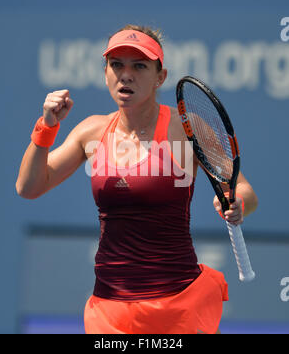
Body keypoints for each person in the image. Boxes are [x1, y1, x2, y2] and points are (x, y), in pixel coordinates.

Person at [16, 24, 258, 334]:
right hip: (109, 311)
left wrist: (238, 204)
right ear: (105, 73)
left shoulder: (186, 128)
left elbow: (243, 191)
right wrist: (46, 127)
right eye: (116, 65)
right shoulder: (91, 131)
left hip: (179, 306)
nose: (125, 74)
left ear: (161, 77)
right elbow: (29, 186)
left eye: (139, 66)